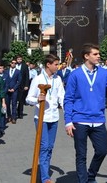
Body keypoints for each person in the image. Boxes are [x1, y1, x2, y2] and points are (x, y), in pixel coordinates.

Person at [64, 43, 107, 183]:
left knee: (102, 151)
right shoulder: (75, 75)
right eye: (95, 54)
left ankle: (91, 175)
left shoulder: (103, 73)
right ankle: (83, 181)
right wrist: (68, 121)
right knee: (81, 155)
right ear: (86, 56)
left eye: (99, 54)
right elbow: (68, 99)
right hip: (79, 120)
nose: (99, 56)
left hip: (98, 120)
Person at [26, 54, 65, 183]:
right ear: (48, 64)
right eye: (55, 64)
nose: (57, 67)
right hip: (41, 117)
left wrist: (68, 112)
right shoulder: (38, 79)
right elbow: (28, 98)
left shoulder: (58, 79)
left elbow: (62, 97)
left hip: (54, 117)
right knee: (44, 146)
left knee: (50, 147)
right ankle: (45, 178)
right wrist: (37, 99)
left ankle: (45, 172)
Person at [3, 59, 21, 124]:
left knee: (14, 104)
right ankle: (9, 116)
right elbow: (4, 80)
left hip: (14, 90)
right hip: (7, 90)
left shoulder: (18, 71)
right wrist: (6, 88)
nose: (14, 64)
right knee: (7, 104)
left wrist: (14, 88)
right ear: (10, 63)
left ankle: (13, 117)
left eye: (15, 63)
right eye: (13, 63)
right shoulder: (6, 71)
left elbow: (19, 81)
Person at [15, 55, 30, 119]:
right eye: (18, 59)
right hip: (14, 85)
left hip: (22, 85)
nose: (19, 60)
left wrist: (26, 85)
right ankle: (14, 113)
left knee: (21, 99)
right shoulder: (14, 65)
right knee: (14, 100)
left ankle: (20, 113)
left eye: (20, 59)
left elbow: (27, 76)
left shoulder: (24, 66)